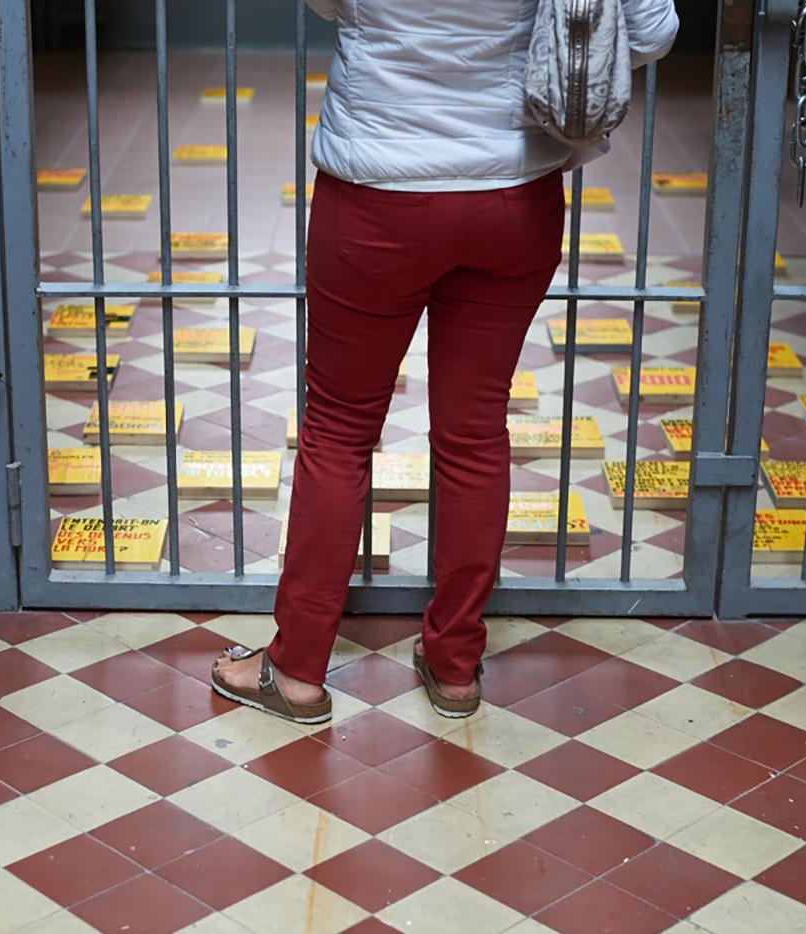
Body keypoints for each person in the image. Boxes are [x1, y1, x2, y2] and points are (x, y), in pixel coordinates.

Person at [212, 0, 680, 723]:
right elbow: (651, 31)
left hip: (377, 191)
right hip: (514, 189)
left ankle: (298, 668)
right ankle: (455, 662)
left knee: (339, 429)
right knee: (473, 431)